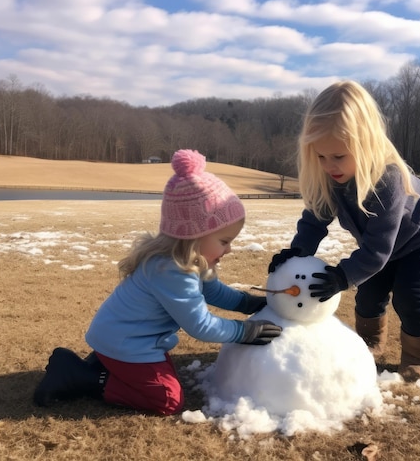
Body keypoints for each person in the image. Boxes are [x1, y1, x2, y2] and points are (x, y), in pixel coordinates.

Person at [34, 149, 282, 415]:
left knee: (164, 378)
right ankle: (80, 376)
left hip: (126, 340)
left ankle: (101, 365)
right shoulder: (172, 271)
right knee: (167, 400)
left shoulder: (190, 261)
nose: (229, 249)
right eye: (224, 241)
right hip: (127, 344)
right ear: (193, 237)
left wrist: (248, 303)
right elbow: (200, 325)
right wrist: (245, 332)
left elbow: (214, 291)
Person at [268, 80, 420, 382]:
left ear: (366, 144)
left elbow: (376, 252)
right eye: (321, 156)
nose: (328, 165)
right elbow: (314, 222)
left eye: (338, 156)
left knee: (408, 296)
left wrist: (341, 276)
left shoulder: (387, 182)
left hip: (416, 239)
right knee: (368, 295)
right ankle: (370, 345)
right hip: (379, 244)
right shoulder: (328, 177)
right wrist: (296, 254)